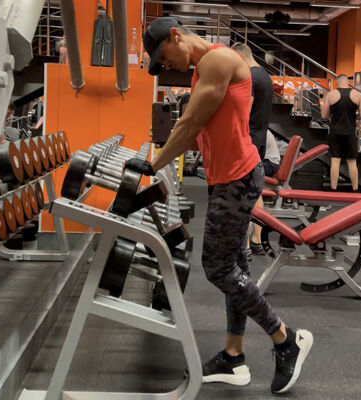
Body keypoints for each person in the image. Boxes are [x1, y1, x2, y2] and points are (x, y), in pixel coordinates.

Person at [126, 17, 313, 394]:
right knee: (235, 266)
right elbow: (200, 132)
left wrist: (154, 164)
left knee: (217, 267)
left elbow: (191, 123)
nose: (168, 65)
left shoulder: (218, 60)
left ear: (175, 36)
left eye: (164, 56)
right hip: (228, 177)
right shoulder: (202, 70)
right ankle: (233, 355)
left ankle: (285, 338)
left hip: (237, 177)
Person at [231, 42, 274, 257]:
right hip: (260, 140)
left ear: (240, 57)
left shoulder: (250, 77)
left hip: (248, 141)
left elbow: (243, 114)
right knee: (255, 191)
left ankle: (245, 245)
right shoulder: (265, 77)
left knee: (243, 193)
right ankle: (257, 240)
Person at [321, 74, 361, 192]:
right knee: (352, 162)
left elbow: (324, 116)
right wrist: (354, 117)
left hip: (335, 132)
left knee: (335, 160)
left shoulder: (331, 94)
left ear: (337, 82)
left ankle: (333, 189)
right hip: (350, 132)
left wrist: (334, 115)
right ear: (348, 82)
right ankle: (355, 190)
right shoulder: (358, 95)